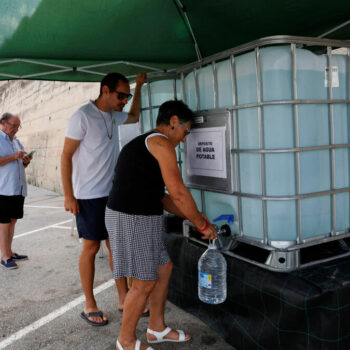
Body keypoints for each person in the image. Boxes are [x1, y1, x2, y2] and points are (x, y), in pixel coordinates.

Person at [105, 100, 218, 350]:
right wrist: (201, 225)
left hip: (141, 216)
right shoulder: (160, 143)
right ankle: (125, 341)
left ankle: (156, 328)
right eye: (186, 132)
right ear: (174, 121)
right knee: (144, 282)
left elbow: (164, 198)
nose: (185, 139)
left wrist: (197, 216)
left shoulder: (150, 144)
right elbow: (177, 192)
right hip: (131, 217)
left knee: (163, 268)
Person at [61, 72, 146, 327]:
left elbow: (134, 116)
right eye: (122, 96)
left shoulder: (113, 116)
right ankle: (90, 304)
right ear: (106, 91)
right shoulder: (82, 116)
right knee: (91, 248)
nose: (124, 101)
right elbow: (65, 156)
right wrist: (68, 195)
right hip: (87, 195)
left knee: (116, 246)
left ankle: (123, 298)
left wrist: (138, 87)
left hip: (112, 193)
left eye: (126, 96)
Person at [0, 113, 32, 270]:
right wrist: (14, 156)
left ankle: (10, 252)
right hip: (4, 189)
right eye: (13, 126)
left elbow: (18, 164)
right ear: (3, 123)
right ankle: (4, 256)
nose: (16, 130)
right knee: (4, 224)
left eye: (18, 126)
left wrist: (25, 162)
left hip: (17, 188)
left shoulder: (16, 141)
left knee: (12, 221)